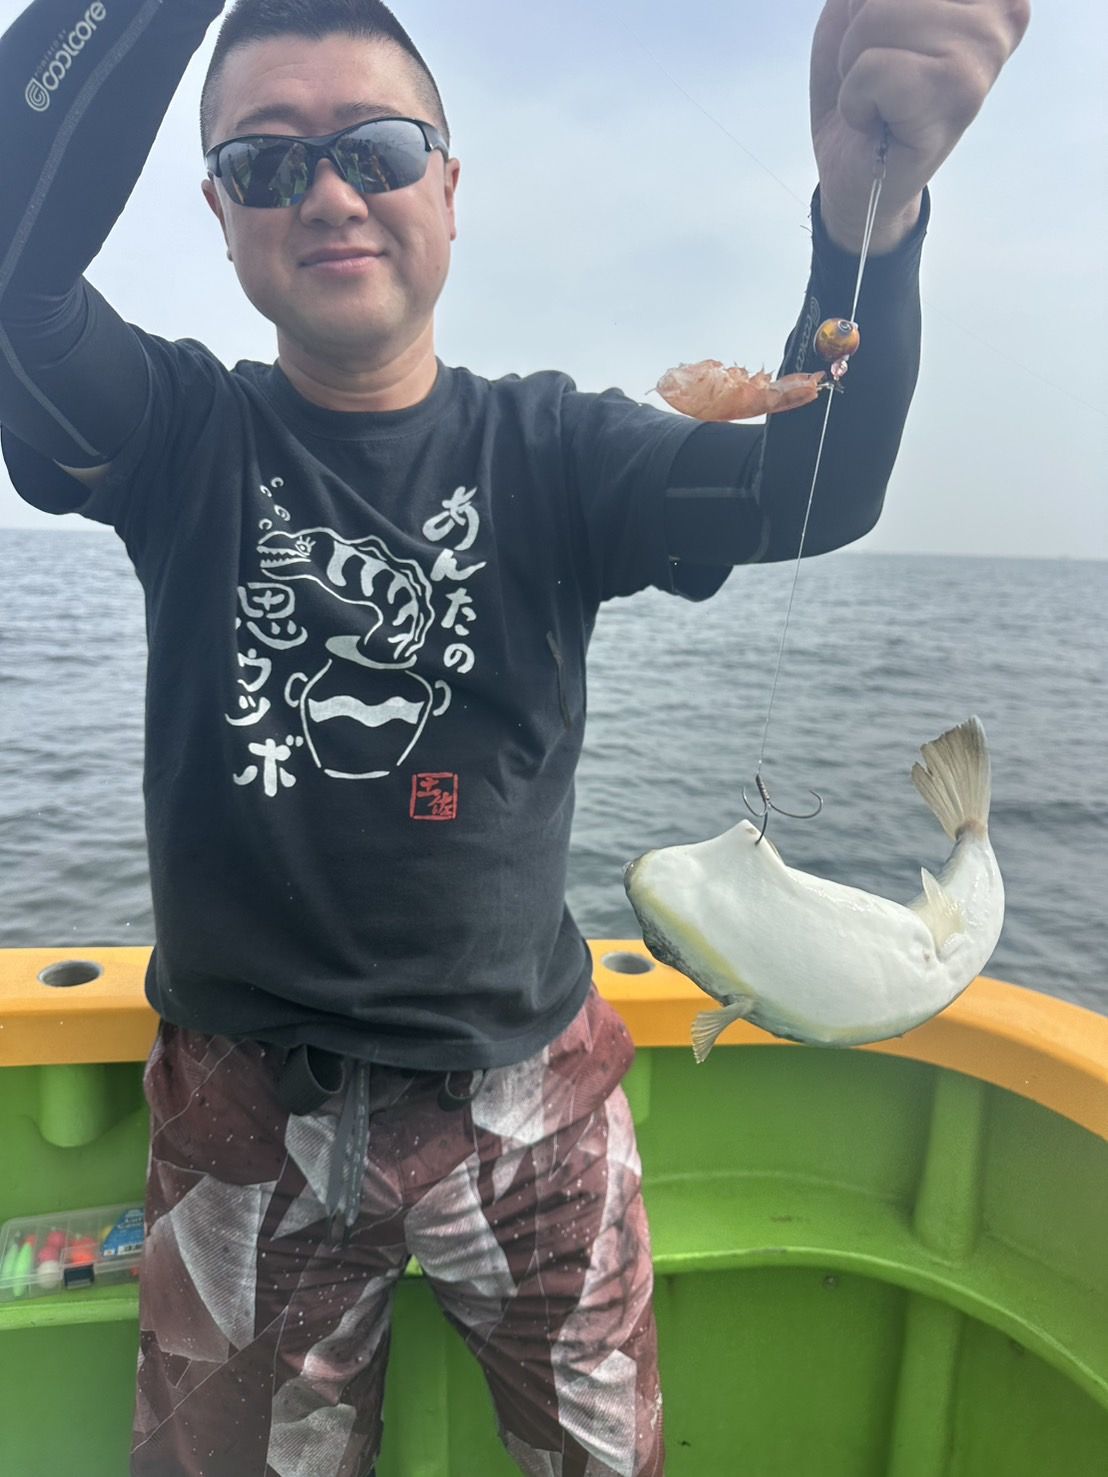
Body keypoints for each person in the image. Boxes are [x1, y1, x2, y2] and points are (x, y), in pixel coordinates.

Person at [0, 0, 1028, 1472]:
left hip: (535, 1102)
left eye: (375, 147)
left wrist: (873, 210)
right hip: (247, 1110)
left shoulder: (554, 450)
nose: (332, 192)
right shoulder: (177, 435)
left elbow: (817, 484)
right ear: (218, 214)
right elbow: (15, 273)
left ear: (449, 186)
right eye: (268, 163)